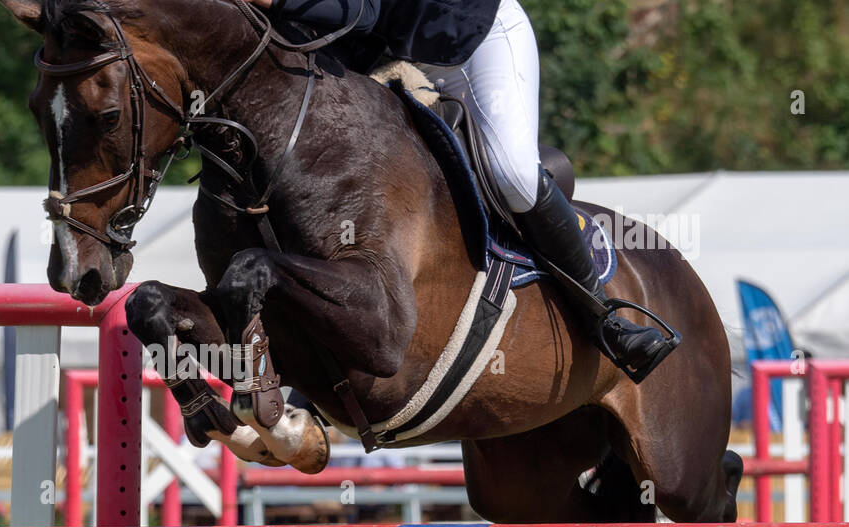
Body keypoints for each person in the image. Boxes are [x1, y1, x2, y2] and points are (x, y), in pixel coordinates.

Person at [243, 0, 674, 377]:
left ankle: (605, 318)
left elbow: (362, 9)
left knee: (513, 175)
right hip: (389, 60)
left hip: (476, 41)